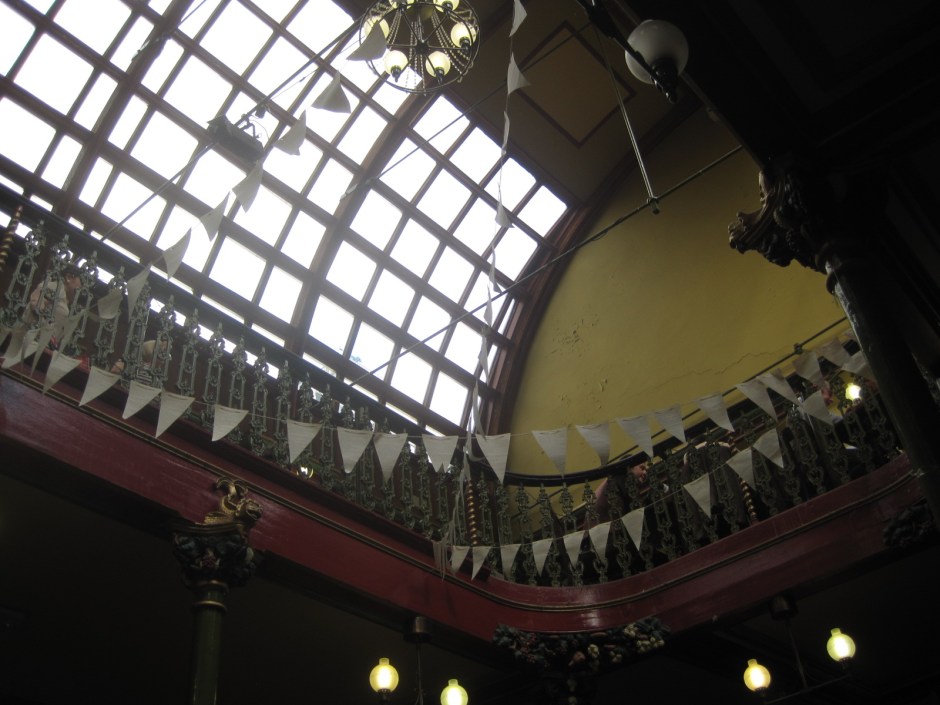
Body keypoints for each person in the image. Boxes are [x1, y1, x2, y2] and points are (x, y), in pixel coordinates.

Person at [23, 265, 82, 348]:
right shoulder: (53, 287)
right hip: (32, 338)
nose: (80, 288)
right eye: (81, 282)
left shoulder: (66, 299)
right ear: (68, 277)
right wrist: (47, 330)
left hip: (45, 343)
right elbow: (35, 305)